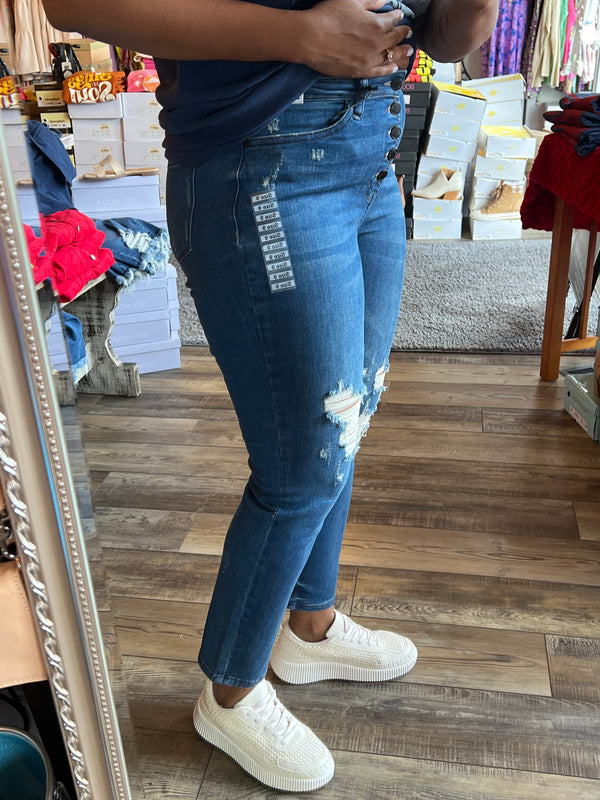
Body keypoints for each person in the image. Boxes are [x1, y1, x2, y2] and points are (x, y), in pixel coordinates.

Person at [43, 0, 499, 791]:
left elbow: (446, 37)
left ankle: (310, 627)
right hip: (261, 165)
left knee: (344, 421)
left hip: (373, 156)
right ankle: (231, 689)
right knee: (302, 463)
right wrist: (299, 35)